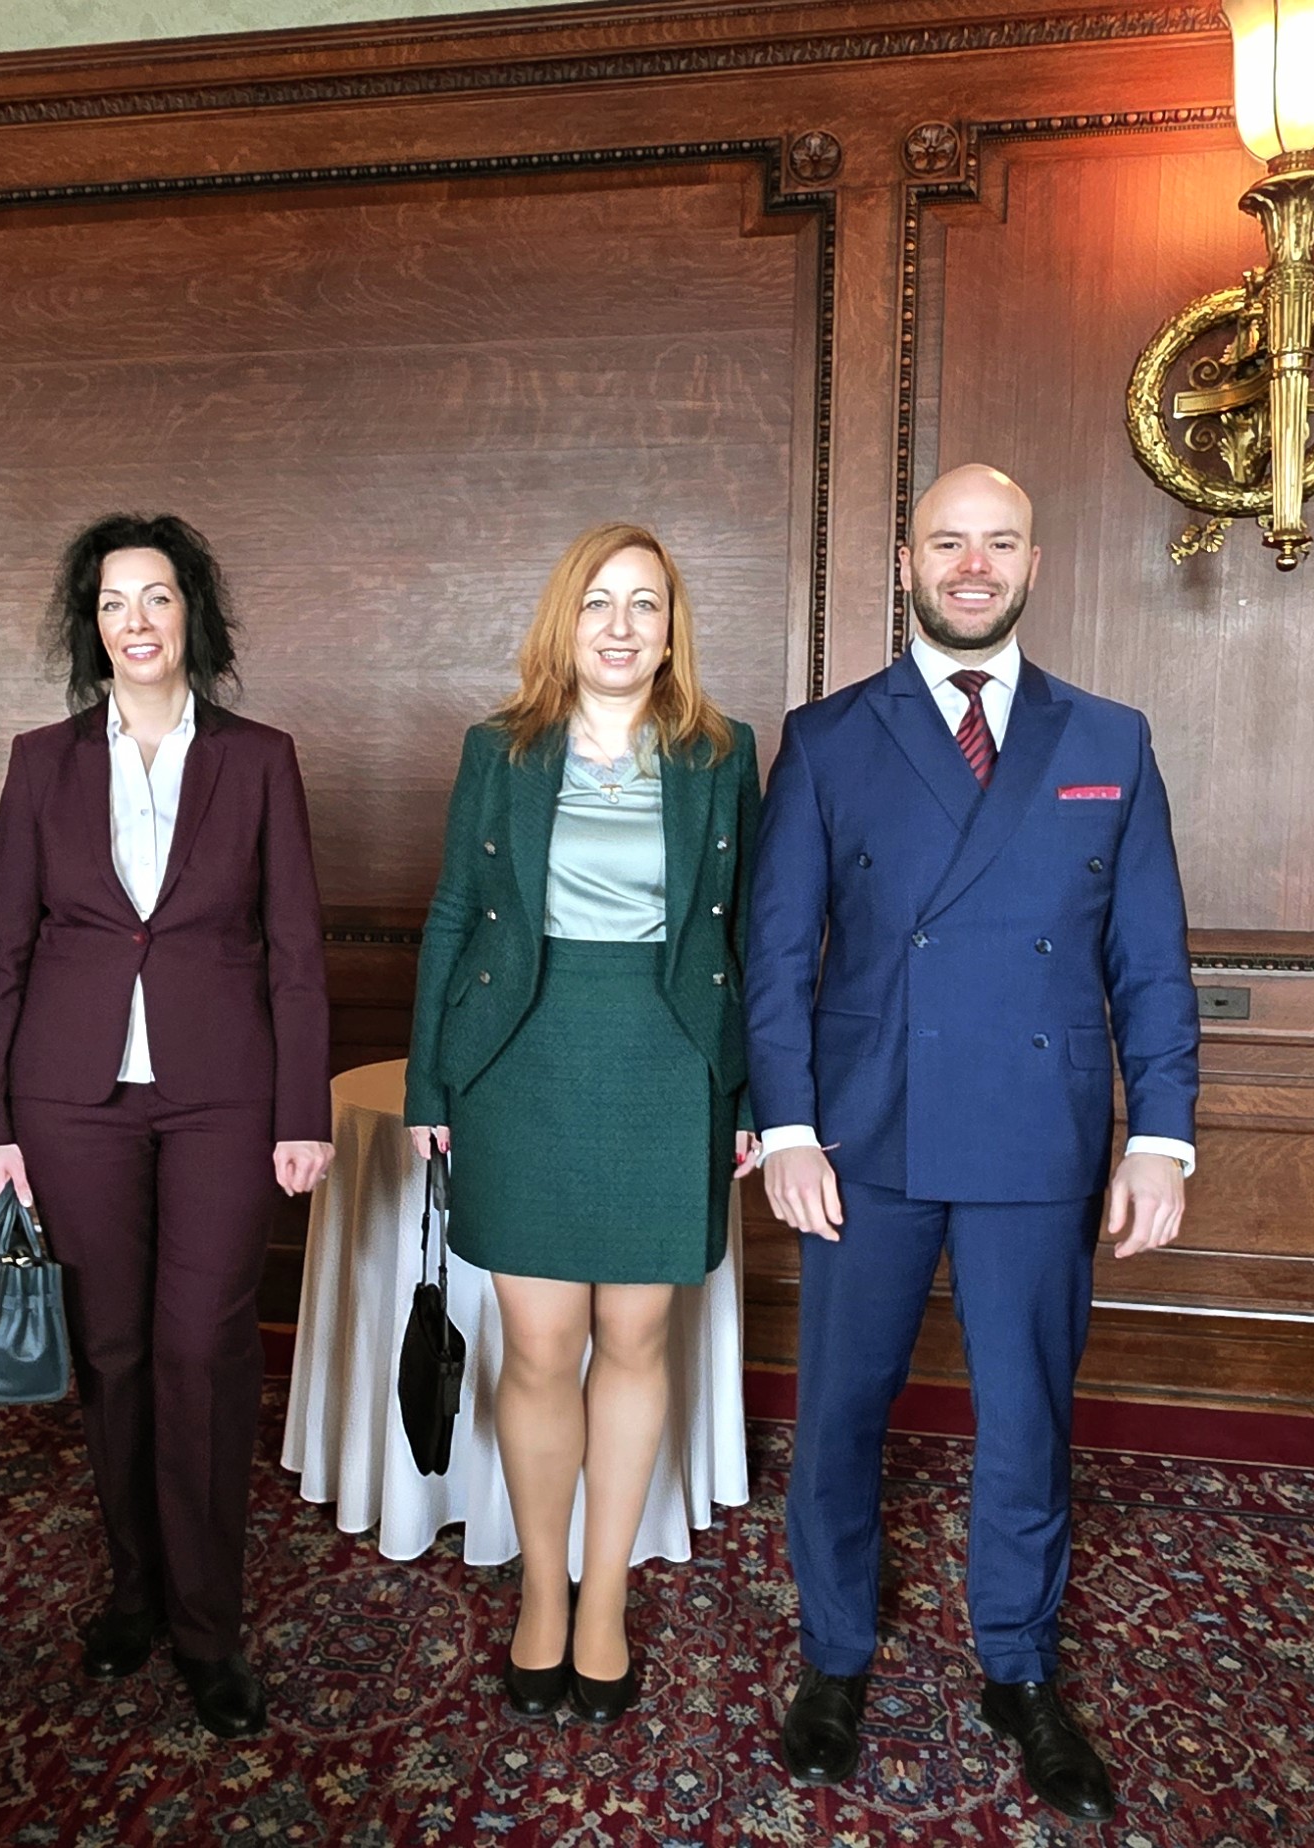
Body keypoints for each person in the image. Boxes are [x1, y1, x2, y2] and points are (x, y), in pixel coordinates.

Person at [747, 464, 1199, 1822]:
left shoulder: (1108, 739)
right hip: (863, 1134)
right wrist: (783, 1126)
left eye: (998, 542)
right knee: (838, 1412)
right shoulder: (826, 738)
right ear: (905, 561)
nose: (972, 564)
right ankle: (833, 1652)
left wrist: (1161, 1136)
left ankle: (1019, 1665)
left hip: (1038, 1136)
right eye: (948, 542)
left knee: (1027, 1420)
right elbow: (773, 954)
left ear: (1034, 563)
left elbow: (1153, 961)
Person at [0, 513, 332, 1741]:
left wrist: (303, 1111)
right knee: (114, 1354)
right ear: (93, 624)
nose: (137, 620)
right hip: (68, 1100)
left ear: (195, 617)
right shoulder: (39, 761)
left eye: (159, 597)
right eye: (115, 600)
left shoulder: (259, 758)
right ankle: (133, 1592)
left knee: (203, 1349)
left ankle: (208, 1624)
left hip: (225, 1097)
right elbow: (4, 949)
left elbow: (293, 948)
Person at [402, 522, 761, 1726]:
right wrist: (430, 1086)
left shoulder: (722, 752)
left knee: (638, 1341)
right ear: (566, 619)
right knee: (540, 1348)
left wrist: (752, 1098)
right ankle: (541, 1595)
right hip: (523, 1057)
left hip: (668, 1068)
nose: (620, 626)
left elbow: (748, 939)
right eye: (598, 602)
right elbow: (453, 911)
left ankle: (604, 1597)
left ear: (673, 626)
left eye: (645, 605)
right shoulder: (499, 750)